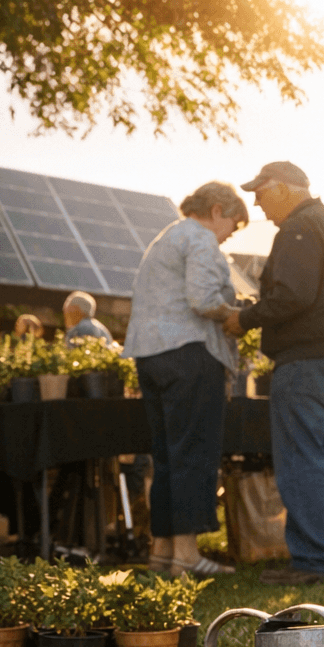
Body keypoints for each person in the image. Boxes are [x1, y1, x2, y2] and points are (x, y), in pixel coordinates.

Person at [223, 161, 324, 585]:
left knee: (300, 457)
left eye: (261, 192)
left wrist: (245, 318)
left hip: (308, 359)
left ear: (284, 189)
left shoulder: (297, 229)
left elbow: (291, 295)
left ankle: (314, 560)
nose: (256, 202)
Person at [124, 181, 249, 577]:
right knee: (194, 452)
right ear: (216, 210)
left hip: (150, 355)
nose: (231, 233)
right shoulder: (201, 239)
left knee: (165, 455)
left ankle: (162, 552)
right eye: (234, 223)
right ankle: (187, 555)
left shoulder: (165, 238)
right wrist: (235, 314)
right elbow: (203, 298)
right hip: (190, 353)